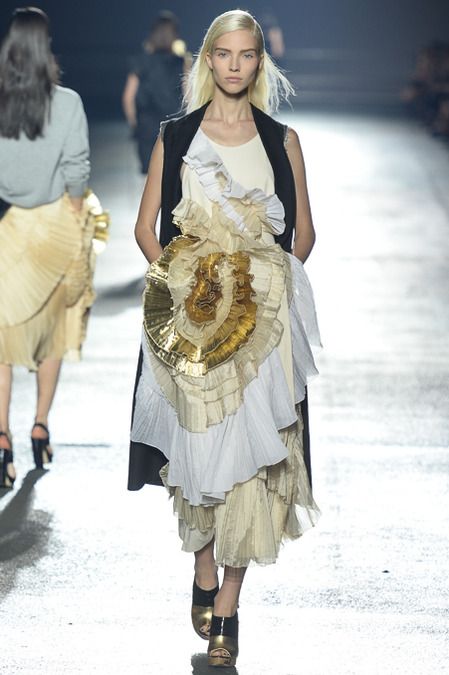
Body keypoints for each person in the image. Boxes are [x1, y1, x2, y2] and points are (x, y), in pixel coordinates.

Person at [128, 9, 321, 667]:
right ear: (207, 60)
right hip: (195, 326)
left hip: (262, 334)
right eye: (224, 54)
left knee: (254, 468)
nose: (235, 66)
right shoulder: (176, 136)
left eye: (246, 55)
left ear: (258, 62)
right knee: (200, 455)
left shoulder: (282, 139)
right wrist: (181, 289)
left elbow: (302, 234)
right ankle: (204, 567)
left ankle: (228, 612)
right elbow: (147, 229)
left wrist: (268, 292)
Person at [0, 8, 92, 488]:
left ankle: (1, 439)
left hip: (8, 228)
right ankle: (39, 426)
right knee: (53, 335)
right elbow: (77, 169)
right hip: (56, 226)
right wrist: (77, 216)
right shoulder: (68, 103)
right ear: (47, 46)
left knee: (2, 343)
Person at [122, 11, 186, 173]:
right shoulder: (181, 62)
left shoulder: (140, 61)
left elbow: (128, 97)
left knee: (149, 176)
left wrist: (134, 124)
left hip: (147, 126)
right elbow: (188, 96)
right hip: (174, 126)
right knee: (173, 175)